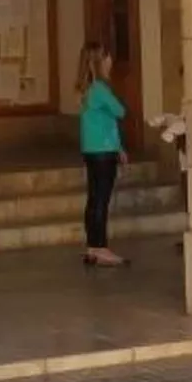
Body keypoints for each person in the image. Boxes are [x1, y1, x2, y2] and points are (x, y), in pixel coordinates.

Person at [77, 41, 128, 268]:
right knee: (101, 200)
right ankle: (100, 247)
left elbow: (106, 123)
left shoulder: (87, 89)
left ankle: (92, 246)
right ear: (100, 61)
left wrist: (120, 148)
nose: (111, 61)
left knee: (93, 198)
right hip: (103, 152)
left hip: (92, 150)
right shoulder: (99, 89)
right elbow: (120, 111)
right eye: (107, 57)